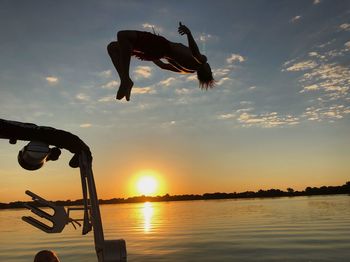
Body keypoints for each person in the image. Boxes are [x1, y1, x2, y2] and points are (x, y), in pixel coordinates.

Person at [107, 22, 214, 101]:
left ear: (205, 71)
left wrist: (189, 33)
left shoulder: (201, 61)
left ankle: (125, 80)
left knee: (122, 35)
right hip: (157, 53)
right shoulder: (187, 70)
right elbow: (163, 66)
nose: (210, 68)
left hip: (161, 46)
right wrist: (149, 55)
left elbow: (195, 53)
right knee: (113, 47)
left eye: (210, 71)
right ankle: (125, 80)